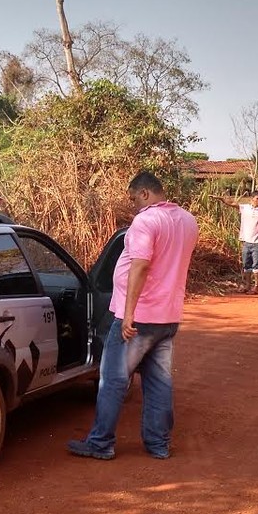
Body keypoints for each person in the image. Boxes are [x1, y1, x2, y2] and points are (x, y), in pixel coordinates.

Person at [67, 171, 199, 461]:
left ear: (144, 194)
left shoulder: (146, 221)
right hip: (168, 316)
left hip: (139, 316)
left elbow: (140, 266)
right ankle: (158, 444)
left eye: (132, 199)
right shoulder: (188, 221)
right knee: (159, 382)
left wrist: (128, 314)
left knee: (113, 379)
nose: (133, 206)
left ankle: (100, 442)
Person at [217, 190, 258, 294]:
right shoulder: (245, 208)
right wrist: (222, 200)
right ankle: (247, 286)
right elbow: (233, 204)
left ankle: (256, 287)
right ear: (252, 199)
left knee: (257, 265)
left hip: (257, 242)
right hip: (246, 241)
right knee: (247, 265)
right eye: (257, 198)